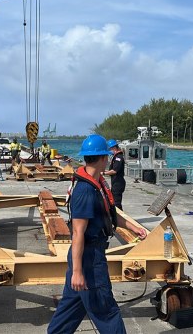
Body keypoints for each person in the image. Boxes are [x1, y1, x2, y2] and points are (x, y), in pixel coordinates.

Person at [47, 135, 148, 334]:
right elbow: (78, 233)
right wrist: (77, 271)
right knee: (106, 311)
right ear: (103, 158)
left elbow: (108, 215)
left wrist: (132, 227)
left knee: (70, 311)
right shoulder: (86, 190)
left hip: (88, 256)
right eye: (107, 156)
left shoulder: (97, 183)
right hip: (89, 259)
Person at [103, 139, 126, 210]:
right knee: (114, 201)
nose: (110, 151)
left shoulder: (118, 158)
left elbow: (114, 171)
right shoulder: (116, 157)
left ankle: (120, 218)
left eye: (110, 149)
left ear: (114, 148)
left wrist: (103, 173)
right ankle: (118, 217)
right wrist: (104, 170)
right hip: (115, 182)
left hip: (118, 183)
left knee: (117, 203)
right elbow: (112, 170)